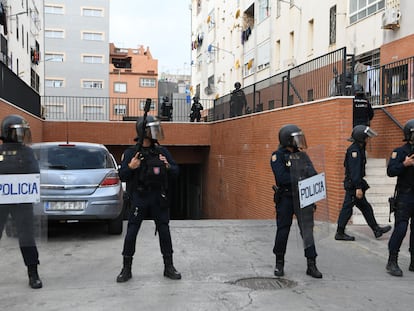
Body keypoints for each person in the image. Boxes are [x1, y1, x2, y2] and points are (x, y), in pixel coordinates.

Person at [116, 115, 181, 282]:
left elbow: (176, 172)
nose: (155, 133)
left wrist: (167, 165)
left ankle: (169, 266)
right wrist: (131, 167)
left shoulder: (161, 151)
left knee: (164, 231)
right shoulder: (131, 153)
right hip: (139, 196)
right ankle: (126, 268)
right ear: (143, 132)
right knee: (131, 232)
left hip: (158, 197)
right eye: (152, 129)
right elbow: (122, 175)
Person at [270, 124, 322, 278]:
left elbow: (313, 173)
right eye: (295, 138)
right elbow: (282, 178)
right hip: (286, 198)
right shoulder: (277, 156)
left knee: (307, 231)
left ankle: (311, 264)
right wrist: (300, 177)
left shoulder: (303, 155)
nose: (298, 141)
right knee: (283, 230)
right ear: (287, 140)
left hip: (303, 197)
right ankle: (279, 263)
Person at [0, 114, 42, 289]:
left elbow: (34, 171)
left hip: (21, 201)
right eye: (18, 132)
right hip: (1, 201)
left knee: (26, 237)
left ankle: (33, 273)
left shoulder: (27, 152)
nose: (21, 136)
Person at [335, 125, 391, 241]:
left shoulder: (359, 148)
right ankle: (339, 233)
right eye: (366, 137)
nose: (368, 139)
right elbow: (355, 171)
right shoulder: (354, 151)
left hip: (355, 184)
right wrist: (358, 188)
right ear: (361, 138)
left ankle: (376, 230)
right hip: (354, 185)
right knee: (347, 208)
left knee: (366, 207)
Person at [385, 119, 414, 277]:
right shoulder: (400, 151)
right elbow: (390, 171)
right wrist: (404, 164)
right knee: (401, 228)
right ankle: (392, 261)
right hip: (405, 195)